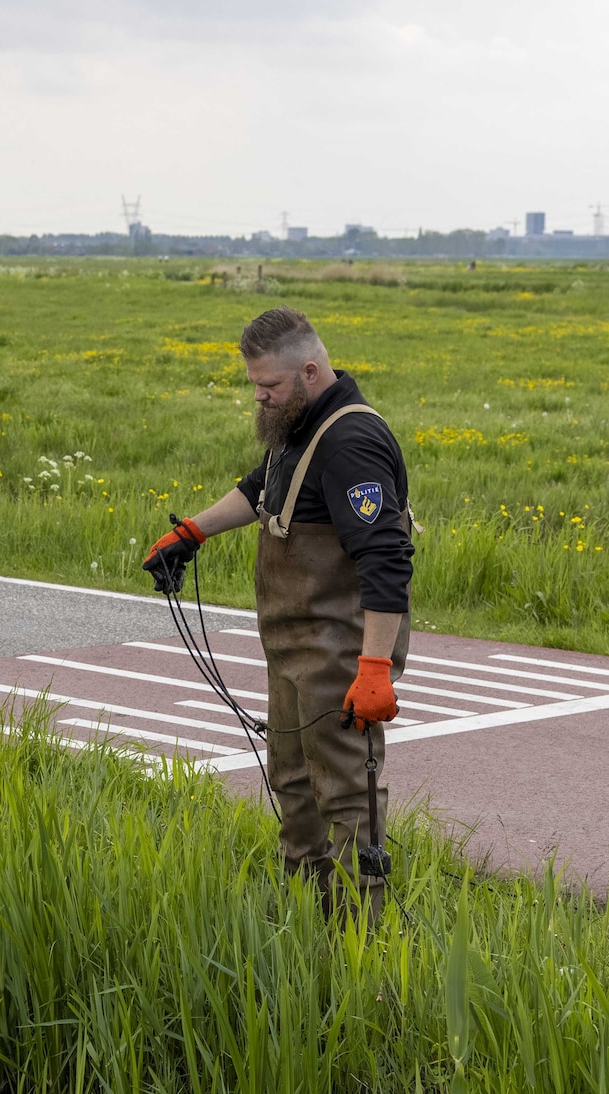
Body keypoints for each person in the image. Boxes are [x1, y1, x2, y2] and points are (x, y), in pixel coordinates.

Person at [142, 307, 413, 917]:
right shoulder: (301, 424)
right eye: (254, 386)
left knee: (347, 796)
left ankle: (357, 943)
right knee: (292, 782)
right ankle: (303, 915)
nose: (260, 398)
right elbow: (262, 486)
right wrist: (192, 532)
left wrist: (373, 667)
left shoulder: (352, 443)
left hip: (342, 651)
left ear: (310, 371)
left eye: (269, 386)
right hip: (294, 648)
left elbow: (388, 558)